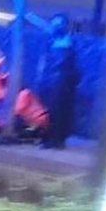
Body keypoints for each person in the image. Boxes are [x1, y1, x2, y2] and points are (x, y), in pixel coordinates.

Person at [36, 13, 79, 149]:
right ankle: (48, 137)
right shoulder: (52, 41)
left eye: (59, 25)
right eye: (55, 24)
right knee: (48, 109)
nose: (56, 27)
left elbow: (64, 63)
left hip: (61, 81)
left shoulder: (68, 43)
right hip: (52, 80)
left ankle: (57, 138)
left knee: (59, 110)